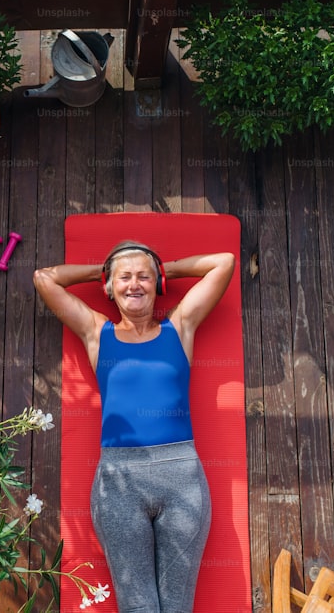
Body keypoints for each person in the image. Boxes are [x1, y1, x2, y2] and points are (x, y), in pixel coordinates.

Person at [33, 241, 235, 612]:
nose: (134, 284)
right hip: (118, 481)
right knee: (137, 606)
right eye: (124, 277)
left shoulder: (180, 327)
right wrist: (99, 272)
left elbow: (223, 262)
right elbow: (44, 278)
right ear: (110, 287)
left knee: (177, 606)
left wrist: (165, 269)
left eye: (144, 276)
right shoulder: (98, 333)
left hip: (181, 477)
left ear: (156, 283)